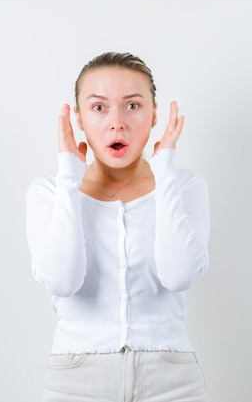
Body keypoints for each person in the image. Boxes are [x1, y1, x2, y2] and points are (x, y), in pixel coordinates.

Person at [25, 52, 210, 402]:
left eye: (133, 106)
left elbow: (180, 275)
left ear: (154, 115)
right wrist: (69, 175)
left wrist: (164, 169)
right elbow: (63, 280)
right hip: (75, 382)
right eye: (98, 108)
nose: (117, 123)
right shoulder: (49, 190)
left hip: (173, 382)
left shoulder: (184, 186)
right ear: (77, 118)